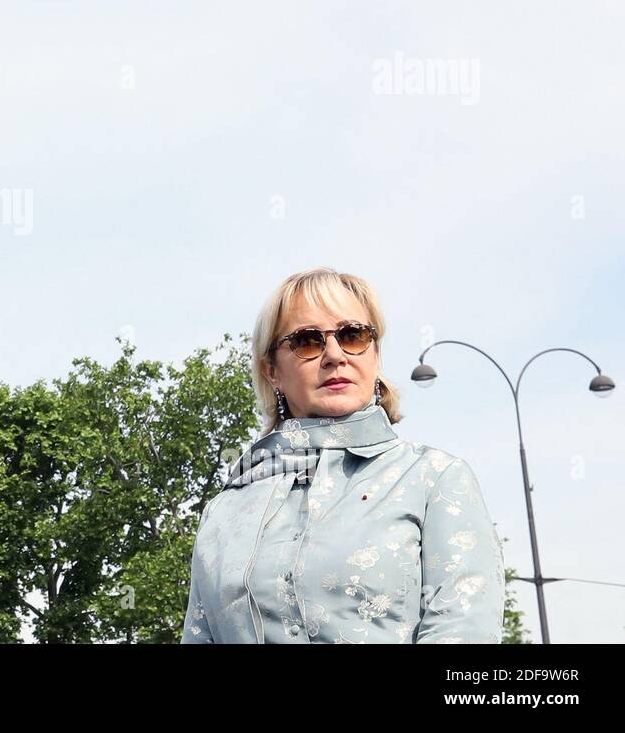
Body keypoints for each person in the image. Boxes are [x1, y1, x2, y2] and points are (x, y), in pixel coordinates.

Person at [182, 267, 505, 643]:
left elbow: (464, 631)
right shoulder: (223, 512)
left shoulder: (433, 479)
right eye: (308, 341)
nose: (335, 355)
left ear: (376, 354)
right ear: (272, 371)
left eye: (353, 335)